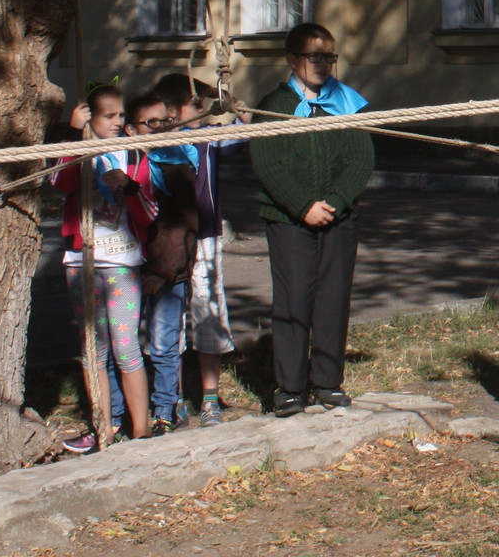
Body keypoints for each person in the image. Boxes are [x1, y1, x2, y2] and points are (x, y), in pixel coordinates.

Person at [250, 22, 374, 417]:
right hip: (289, 220)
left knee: (333, 298)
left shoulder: (345, 103)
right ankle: (289, 387)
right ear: (292, 59)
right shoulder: (275, 106)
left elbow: (362, 158)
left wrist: (335, 201)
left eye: (329, 57)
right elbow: (267, 164)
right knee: (293, 300)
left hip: (339, 219)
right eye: (314, 56)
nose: (323, 64)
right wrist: (303, 205)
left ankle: (327, 381)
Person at [54, 85, 156, 450]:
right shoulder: (80, 150)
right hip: (83, 261)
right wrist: (72, 135)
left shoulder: (133, 153)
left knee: (126, 348)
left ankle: (140, 430)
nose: (117, 122)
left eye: (121, 115)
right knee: (92, 348)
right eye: (108, 116)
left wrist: (129, 187)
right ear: (90, 118)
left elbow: (149, 210)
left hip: (122, 262)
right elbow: (59, 182)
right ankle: (104, 427)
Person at [153, 72, 244, 426]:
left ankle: (209, 399)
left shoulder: (208, 138)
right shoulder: (153, 143)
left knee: (208, 313)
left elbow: (247, 128)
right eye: (197, 103)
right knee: (165, 319)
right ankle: (169, 398)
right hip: (162, 241)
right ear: (173, 112)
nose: (204, 109)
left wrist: (229, 99)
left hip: (204, 237)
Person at [126, 88, 197, 435]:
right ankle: (126, 409)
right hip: (131, 264)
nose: (158, 128)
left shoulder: (176, 162)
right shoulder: (129, 160)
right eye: (149, 123)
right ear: (132, 128)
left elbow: (182, 226)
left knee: (163, 341)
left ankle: (165, 408)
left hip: (168, 270)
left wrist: (165, 272)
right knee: (127, 341)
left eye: (164, 121)